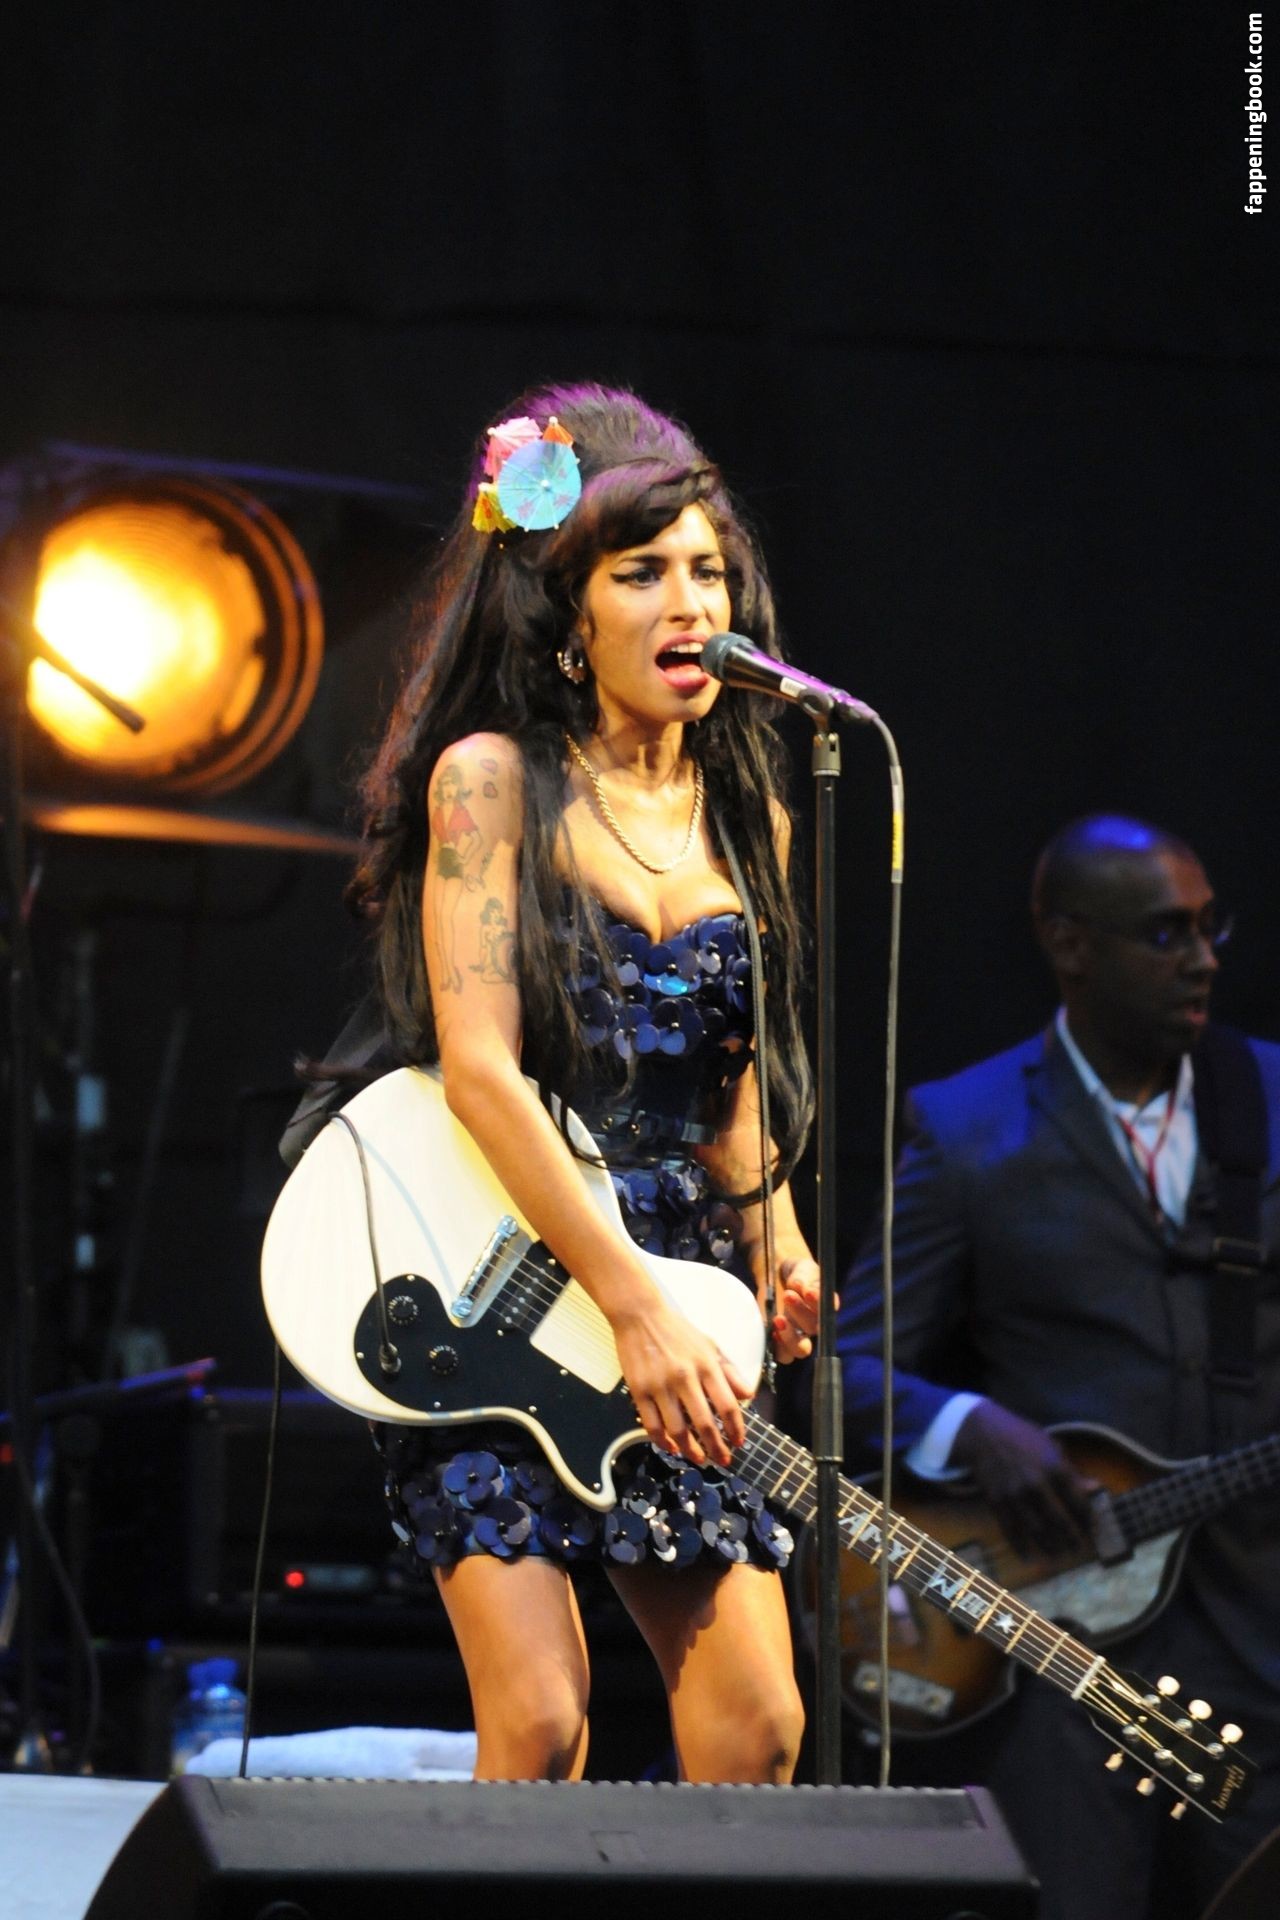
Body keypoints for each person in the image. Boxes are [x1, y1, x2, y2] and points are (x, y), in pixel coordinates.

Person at [343, 382, 822, 1784]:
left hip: (682, 1293)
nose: (689, 604)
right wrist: (631, 1302)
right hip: (505, 1273)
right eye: (642, 573)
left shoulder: (753, 810)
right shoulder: (491, 782)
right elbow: (480, 1072)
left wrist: (774, 1229)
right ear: (567, 612)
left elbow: (734, 1072)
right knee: (544, 1721)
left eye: (707, 572)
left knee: (760, 1728)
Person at [836, 814, 1280, 1920]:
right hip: (1062, 1659)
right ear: (1069, 945)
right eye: (1166, 934)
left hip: (1259, 1632)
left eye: (1209, 927)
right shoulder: (965, 1128)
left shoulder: (1271, 1099)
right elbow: (842, 1376)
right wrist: (968, 1426)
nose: (1203, 959)